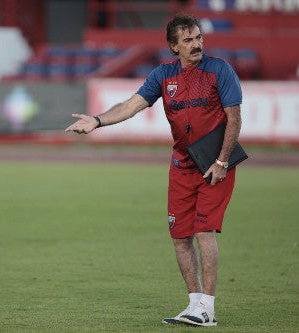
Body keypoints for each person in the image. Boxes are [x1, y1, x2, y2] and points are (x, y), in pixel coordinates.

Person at [66, 13, 242, 327]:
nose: (196, 44)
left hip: (215, 165)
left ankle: (209, 309)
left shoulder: (220, 70)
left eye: (198, 37)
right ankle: (194, 304)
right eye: (187, 40)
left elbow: (234, 118)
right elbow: (130, 106)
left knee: (204, 231)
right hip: (181, 166)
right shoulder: (162, 76)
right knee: (180, 236)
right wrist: (96, 121)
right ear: (174, 46)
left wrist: (222, 161)